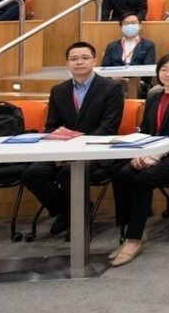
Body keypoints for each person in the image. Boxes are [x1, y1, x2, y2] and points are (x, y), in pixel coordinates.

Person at [107, 53, 169, 267]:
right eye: (164, 70)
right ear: (158, 73)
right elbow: (147, 130)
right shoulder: (153, 97)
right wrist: (140, 154)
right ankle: (132, 230)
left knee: (143, 180)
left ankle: (133, 240)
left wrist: (155, 155)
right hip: (152, 150)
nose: (168, 74)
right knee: (121, 175)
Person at [21, 42, 124, 237]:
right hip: (63, 150)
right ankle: (69, 211)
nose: (79, 62)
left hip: (96, 150)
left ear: (94, 61)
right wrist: (60, 151)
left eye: (85, 58)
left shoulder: (111, 88)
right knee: (32, 174)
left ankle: (79, 222)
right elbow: (52, 126)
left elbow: (108, 128)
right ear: (67, 63)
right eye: (74, 59)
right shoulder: (58, 90)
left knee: (68, 173)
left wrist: (75, 152)